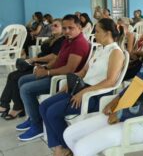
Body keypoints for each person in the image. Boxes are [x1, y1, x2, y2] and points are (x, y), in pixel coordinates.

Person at [64, 27, 143, 156]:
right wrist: (114, 101)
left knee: (82, 148)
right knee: (69, 134)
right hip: (124, 109)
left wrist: (121, 114)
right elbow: (133, 87)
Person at [40, 18, 124, 156]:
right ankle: (61, 146)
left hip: (95, 95)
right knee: (44, 106)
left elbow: (110, 81)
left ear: (107, 33)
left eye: (97, 31)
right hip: (81, 89)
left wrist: (84, 92)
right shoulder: (99, 49)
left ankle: (68, 147)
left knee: (52, 112)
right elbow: (84, 71)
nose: (94, 34)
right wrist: (71, 81)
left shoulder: (115, 52)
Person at [16, 15, 90, 141]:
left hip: (62, 80)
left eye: (70, 28)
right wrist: (44, 68)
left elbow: (69, 69)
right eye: (65, 28)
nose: (66, 31)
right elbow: (57, 59)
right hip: (54, 73)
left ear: (79, 28)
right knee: (22, 80)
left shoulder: (79, 44)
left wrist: (48, 73)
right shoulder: (68, 40)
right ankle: (33, 117)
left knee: (26, 89)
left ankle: (37, 125)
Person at [0, 19, 65, 120]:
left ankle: (15, 107)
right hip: (38, 64)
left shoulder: (62, 41)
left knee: (16, 76)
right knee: (12, 75)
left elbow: (53, 57)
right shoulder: (52, 39)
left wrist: (35, 59)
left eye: (56, 26)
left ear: (62, 28)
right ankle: (6, 105)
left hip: (44, 66)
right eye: (52, 25)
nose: (52, 27)